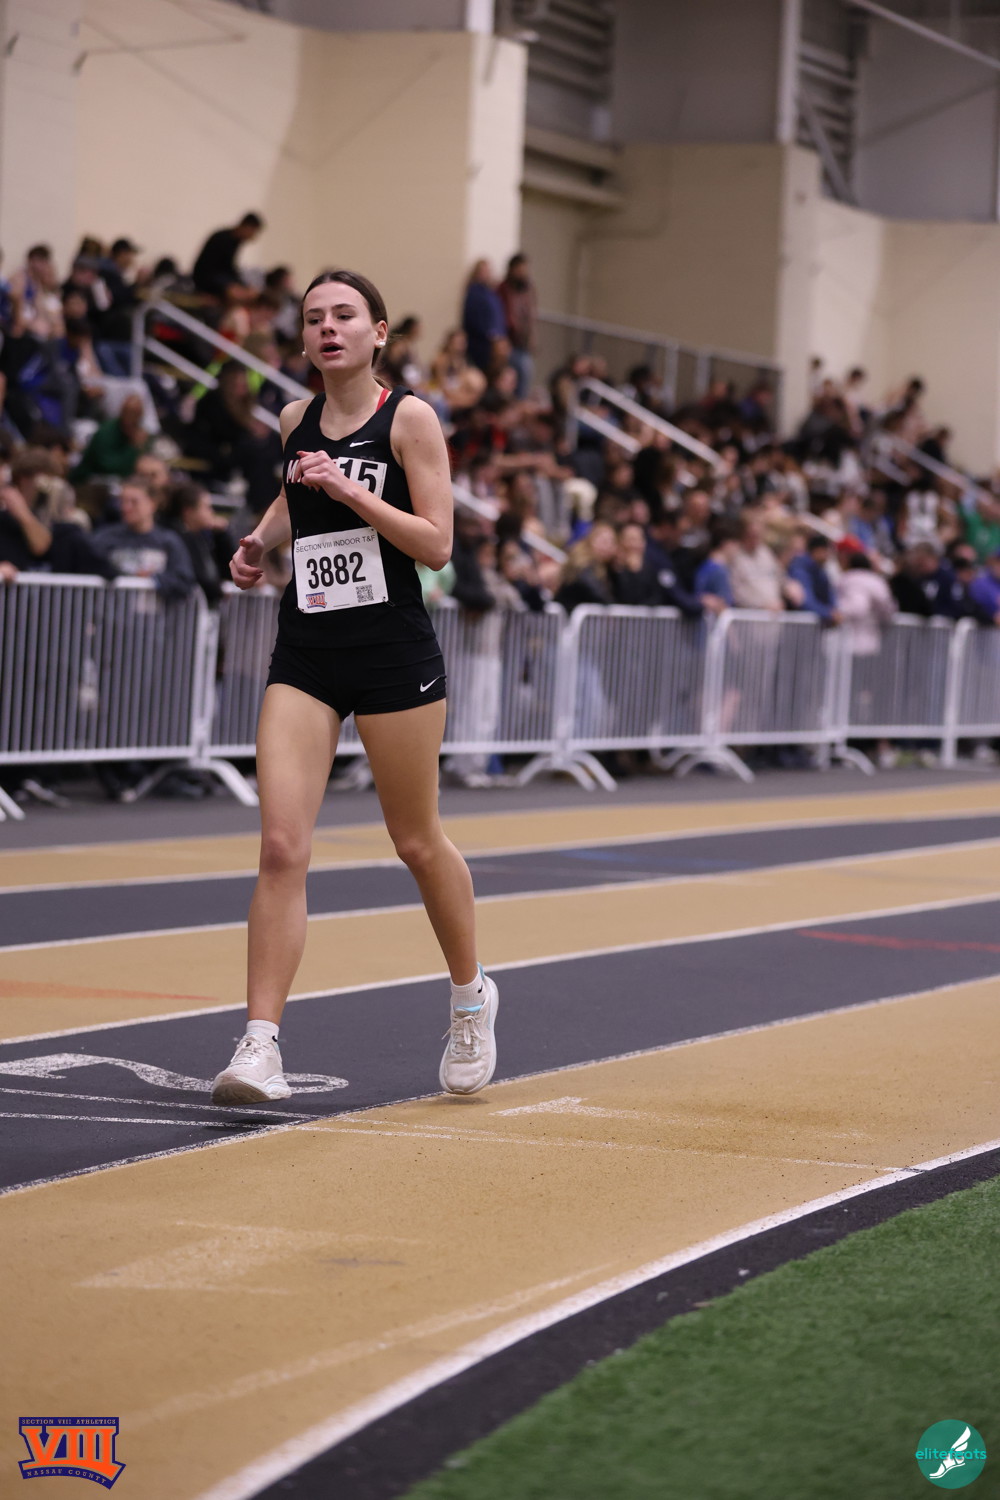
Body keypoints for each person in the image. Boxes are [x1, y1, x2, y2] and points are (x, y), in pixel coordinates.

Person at [210, 268, 498, 1106]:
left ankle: (470, 996)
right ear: (303, 340)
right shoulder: (293, 418)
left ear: (378, 334)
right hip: (307, 652)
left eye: (345, 315)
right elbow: (292, 495)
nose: (328, 328)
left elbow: (436, 544)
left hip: (391, 654)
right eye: (314, 318)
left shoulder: (408, 418)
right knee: (280, 846)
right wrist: (260, 541)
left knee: (416, 841)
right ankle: (260, 1044)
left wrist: (348, 489)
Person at [191, 212, 264, 301]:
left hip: (216, 277)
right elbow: (213, 268)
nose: (253, 236)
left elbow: (228, 268)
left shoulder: (235, 241)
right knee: (237, 293)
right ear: (247, 227)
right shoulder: (222, 238)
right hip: (205, 278)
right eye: (253, 231)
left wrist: (242, 284)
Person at [498, 253, 537, 399]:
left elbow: (531, 316)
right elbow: (503, 317)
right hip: (509, 341)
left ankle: (520, 403)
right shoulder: (503, 289)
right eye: (520, 269)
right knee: (514, 375)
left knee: (526, 373)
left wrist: (532, 337)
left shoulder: (528, 289)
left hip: (523, 342)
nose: (523, 273)